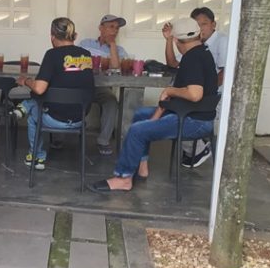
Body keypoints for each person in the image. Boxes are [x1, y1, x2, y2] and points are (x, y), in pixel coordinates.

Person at [89, 18, 218, 192]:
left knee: (137, 131)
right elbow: (172, 64)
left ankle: (124, 178)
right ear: (199, 35)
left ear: (178, 41)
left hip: (193, 121)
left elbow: (195, 94)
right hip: (189, 113)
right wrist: (168, 41)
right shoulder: (200, 51)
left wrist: (170, 91)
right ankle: (142, 168)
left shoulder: (193, 58)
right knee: (140, 115)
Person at [11, 17, 95, 170]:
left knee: (33, 117)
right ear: (74, 36)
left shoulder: (52, 55)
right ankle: (26, 106)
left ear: (52, 36)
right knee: (39, 102)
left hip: (55, 119)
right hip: (80, 119)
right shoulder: (86, 55)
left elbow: (39, 88)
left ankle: (37, 156)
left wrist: (26, 81)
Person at [163, 7, 229, 168]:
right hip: (197, 92)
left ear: (213, 24)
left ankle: (198, 149)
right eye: (197, 25)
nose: (200, 28)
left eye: (204, 24)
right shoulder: (191, 42)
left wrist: (206, 91)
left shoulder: (222, 41)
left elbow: (225, 72)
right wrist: (169, 40)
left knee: (176, 107)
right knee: (172, 104)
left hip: (214, 94)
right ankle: (196, 149)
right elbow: (173, 63)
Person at [77, 14, 130, 156]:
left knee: (111, 102)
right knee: (66, 94)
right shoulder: (85, 43)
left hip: (101, 88)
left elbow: (116, 68)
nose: (115, 31)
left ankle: (103, 140)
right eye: (111, 27)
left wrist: (112, 45)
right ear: (101, 28)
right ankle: (59, 137)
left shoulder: (119, 50)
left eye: (117, 28)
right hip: (82, 86)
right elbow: (75, 63)